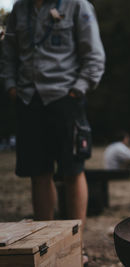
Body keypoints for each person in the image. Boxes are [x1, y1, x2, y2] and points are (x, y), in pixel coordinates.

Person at [2, 0, 105, 265]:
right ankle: (44, 245)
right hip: (28, 99)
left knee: (73, 169)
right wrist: (11, 86)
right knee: (38, 172)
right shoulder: (19, 10)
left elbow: (93, 54)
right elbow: (8, 52)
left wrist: (77, 90)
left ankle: (76, 245)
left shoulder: (77, 6)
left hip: (65, 97)